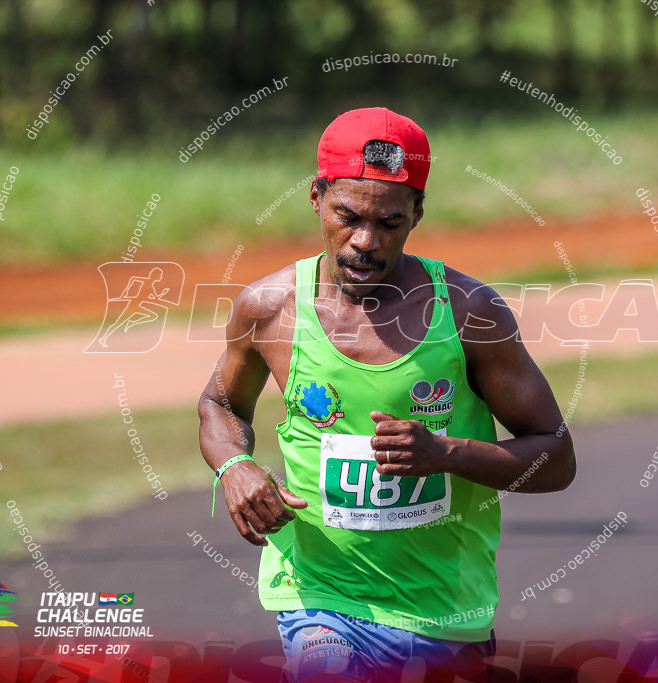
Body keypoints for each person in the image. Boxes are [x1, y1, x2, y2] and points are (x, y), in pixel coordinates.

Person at [198, 106, 575, 681]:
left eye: (390, 223)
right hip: (318, 595)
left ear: (418, 214)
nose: (365, 242)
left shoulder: (470, 312)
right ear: (316, 197)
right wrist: (235, 468)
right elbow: (220, 404)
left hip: (446, 609)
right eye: (347, 216)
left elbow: (556, 456)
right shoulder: (270, 308)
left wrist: (447, 455)